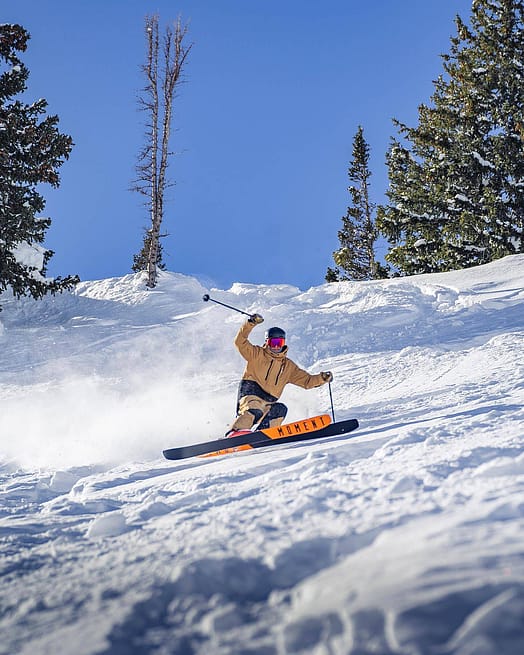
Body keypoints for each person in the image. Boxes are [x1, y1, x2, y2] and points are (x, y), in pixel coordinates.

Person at [226, 313, 333, 436]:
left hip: (269, 401)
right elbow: (240, 342)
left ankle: (264, 434)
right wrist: (250, 323)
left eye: (279, 343)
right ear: (267, 342)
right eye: (273, 343)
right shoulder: (256, 354)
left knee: (280, 410)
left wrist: (322, 378)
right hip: (251, 393)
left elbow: (307, 381)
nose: (276, 347)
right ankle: (235, 432)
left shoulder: (288, 366)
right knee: (255, 410)